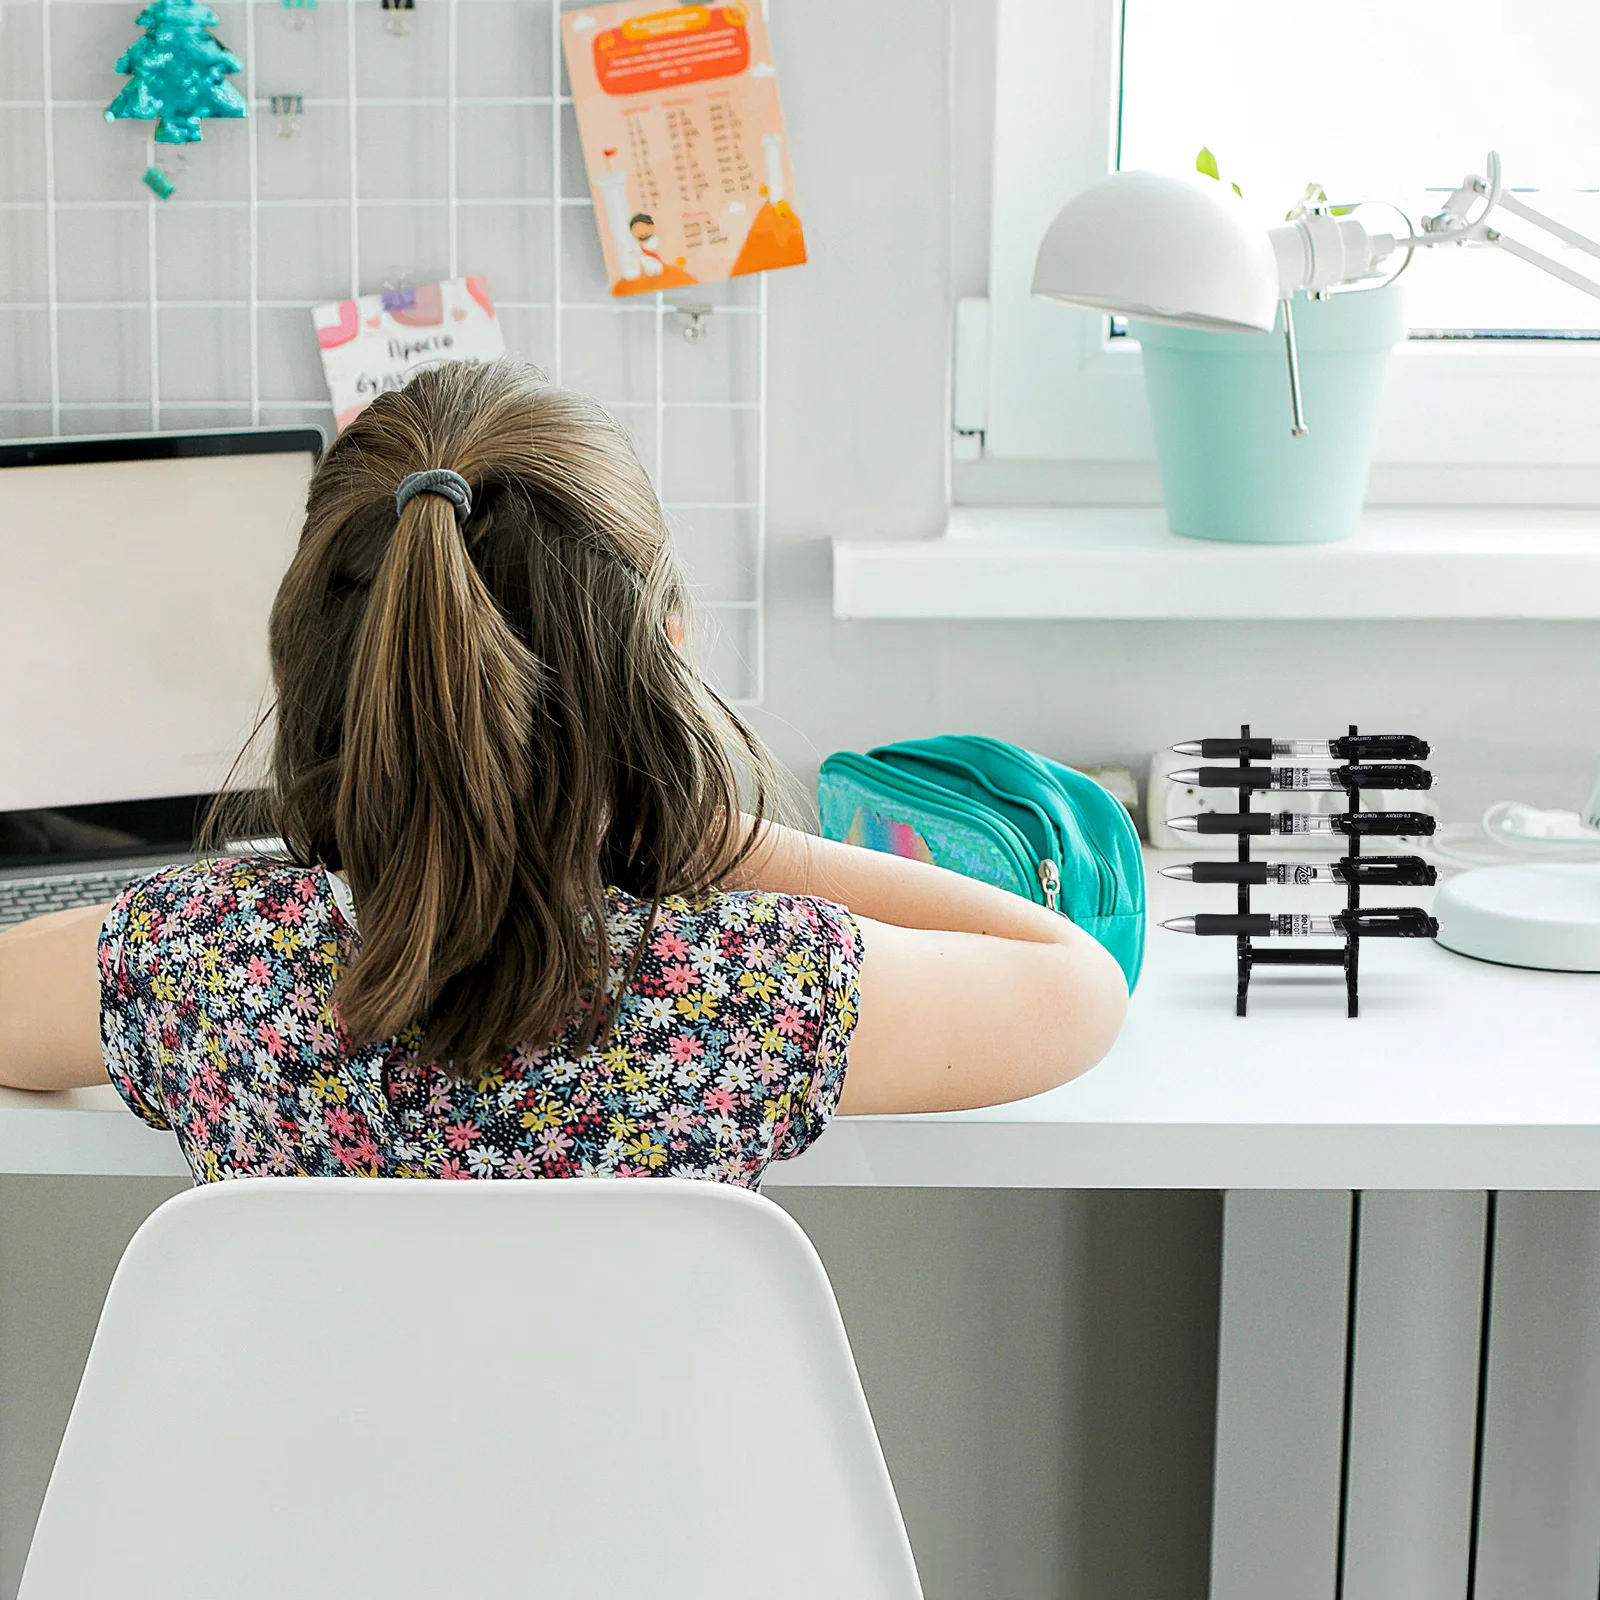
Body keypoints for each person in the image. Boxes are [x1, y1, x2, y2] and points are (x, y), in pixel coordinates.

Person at [0, 361, 1126, 1187]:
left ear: (314, 669)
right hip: (645, 1512)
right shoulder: (749, 983)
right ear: (663, 667)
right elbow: (1079, 989)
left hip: (304, 1505)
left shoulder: (204, 961)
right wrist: (713, 839)